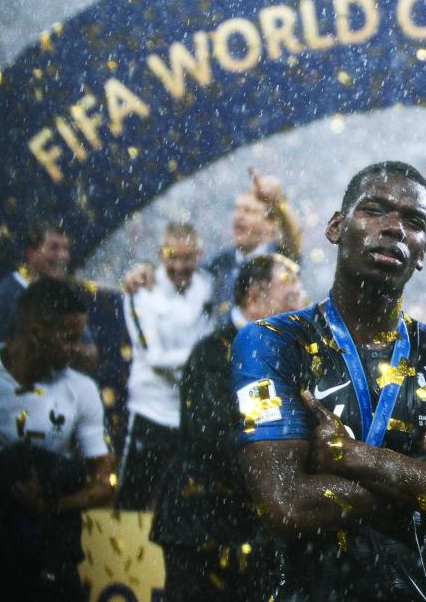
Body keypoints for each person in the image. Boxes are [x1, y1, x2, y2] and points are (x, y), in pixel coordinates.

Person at [231, 160, 426, 602]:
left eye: (414, 221)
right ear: (335, 227)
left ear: (422, 252)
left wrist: (353, 457)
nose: (394, 229)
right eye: (375, 211)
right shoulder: (273, 342)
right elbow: (285, 506)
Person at [151, 254, 304, 602]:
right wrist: (279, 478)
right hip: (200, 524)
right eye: (291, 297)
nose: (300, 308)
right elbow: (212, 437)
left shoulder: (287, 360)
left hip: (256, 532)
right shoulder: (211, 355)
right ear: (255, 298)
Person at [0, 278, 115, 601]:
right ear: (36, 334)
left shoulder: (82, 390)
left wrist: (51, 506)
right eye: (69, 338)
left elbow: (105, 483)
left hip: (48, 546)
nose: (79, 348)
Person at [117, 222, 212, 509]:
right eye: (172, 257)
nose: (179, 266)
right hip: (151, 410)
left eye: (187, 258)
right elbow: (154, 357)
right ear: (160, 254)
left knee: (181, 502)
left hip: (189, 410)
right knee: (134, 499)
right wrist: (201, 355)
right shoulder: (141, 292)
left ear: (199, 254)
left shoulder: (207, 287)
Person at [123, 167, 302, 318]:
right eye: (237, 209)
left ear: (271, 225)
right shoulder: (221, 263)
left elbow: (293, 239)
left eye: (249, 211)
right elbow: (181, 270)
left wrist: (278, 204)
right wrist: (146, 270)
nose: (239, 216)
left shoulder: (279, 260)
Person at [0, 221, 99, 370]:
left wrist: (65, 348)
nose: (63, 256)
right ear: (31, 253)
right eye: (54, 248)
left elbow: (91, 355)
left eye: (66, 248)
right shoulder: (5, 294)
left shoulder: (65, 296)